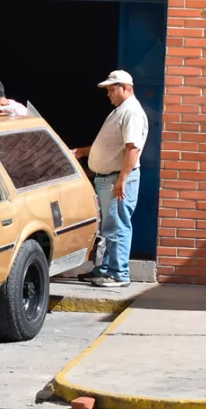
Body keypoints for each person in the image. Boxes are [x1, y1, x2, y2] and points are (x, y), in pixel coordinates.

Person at [72, 70, 148, 288]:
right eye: (108, 91)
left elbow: (133, 149)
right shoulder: (121, 111)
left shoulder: (131, 112)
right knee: (109, 227)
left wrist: (122, 180)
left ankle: (118, 273)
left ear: (126, 87)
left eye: (112, 90)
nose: (109, 95)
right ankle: (104, 269)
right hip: (108, 178)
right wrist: (85, 152)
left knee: (117, 227)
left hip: (116, 179)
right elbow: (112, 145)